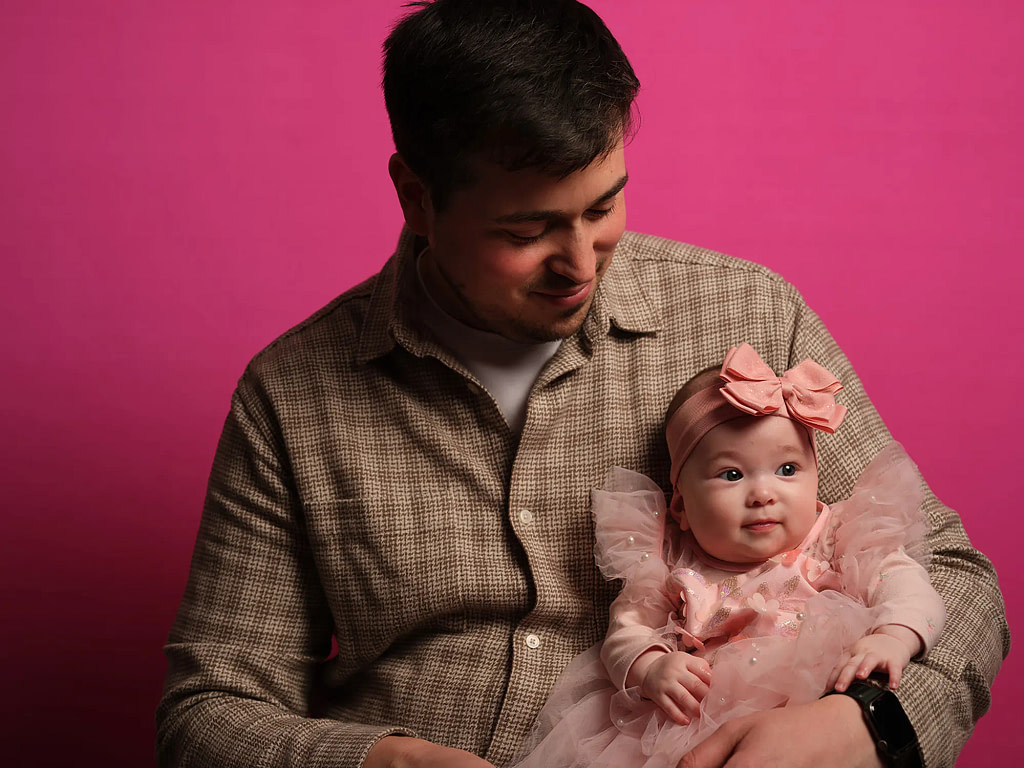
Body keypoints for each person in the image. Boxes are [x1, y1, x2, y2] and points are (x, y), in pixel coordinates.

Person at [155, 2, 1008, 767]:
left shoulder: (749, 312)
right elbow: (208, 713)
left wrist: (869, 726)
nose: (577, 264)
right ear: (415, 196)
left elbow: (955, 579)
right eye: (526, 230)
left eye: (603, 209)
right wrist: (382, 763)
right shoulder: (291, 394)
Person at [510, 344, 945, 768]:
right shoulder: (669, 565)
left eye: (787, 469)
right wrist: (652, 667)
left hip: (810, 727)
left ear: (815, 476)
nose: (762, 494)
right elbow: (624, 634)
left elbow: (908, 588)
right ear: (680, 505)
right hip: (689, 731)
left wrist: (894, 637)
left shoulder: (838, 539)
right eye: (732, 474)